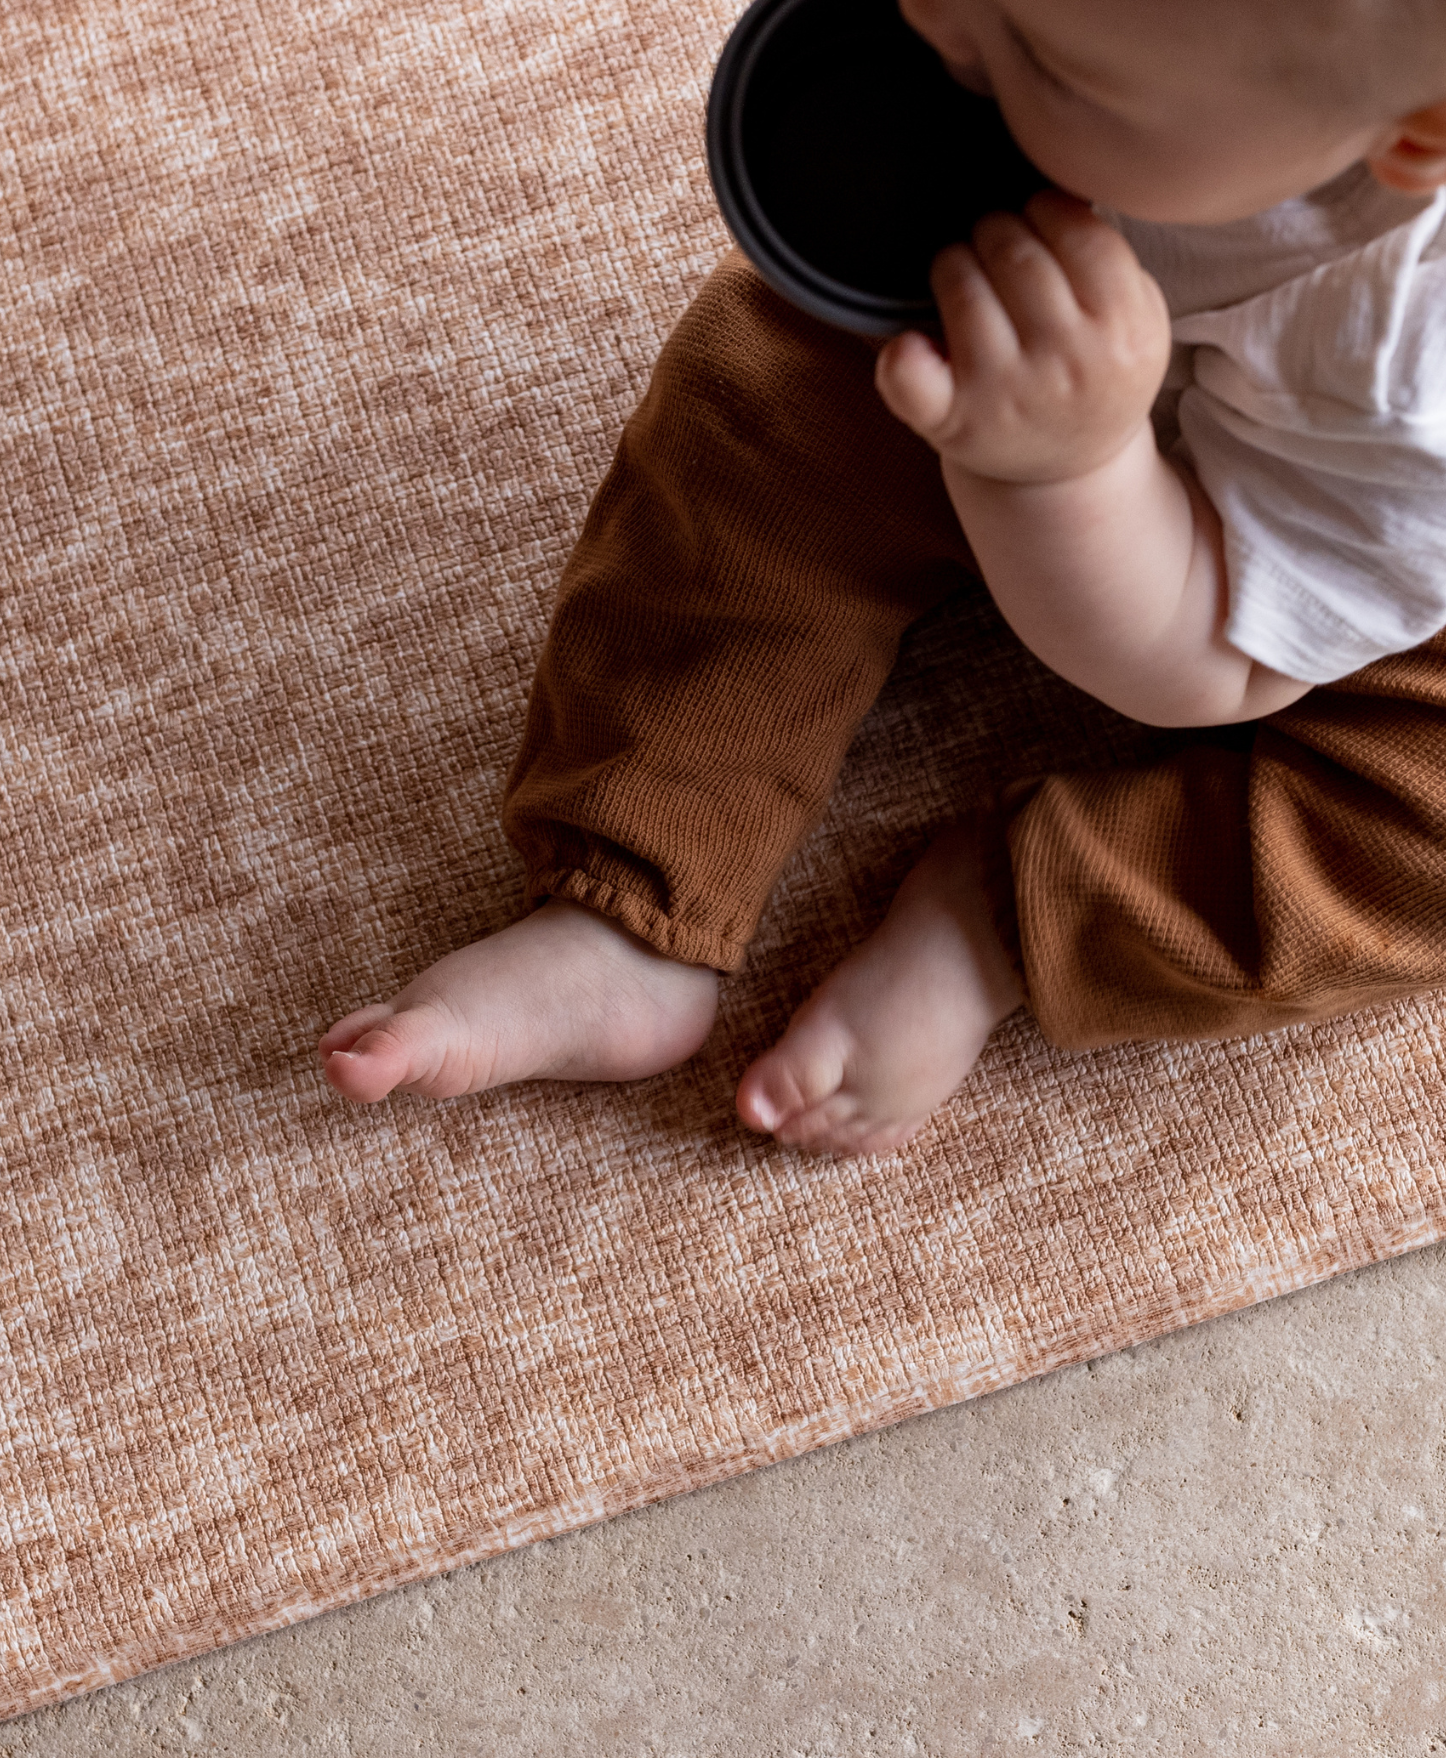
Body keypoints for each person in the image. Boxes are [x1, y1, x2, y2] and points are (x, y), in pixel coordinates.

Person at [320, 0, 1446, 1155]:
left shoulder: (1416, 366)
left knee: (1417, 854)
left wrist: (1067, 470)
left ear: (1415, 136)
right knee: (770, 387)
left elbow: (1208, 652)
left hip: (1350, 579)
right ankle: (631, 903)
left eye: (1049, 62)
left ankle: (1014, 918)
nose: (932, 20)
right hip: (1088, 325)